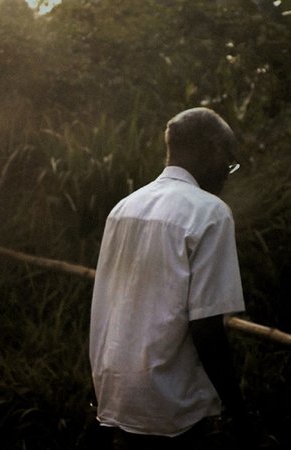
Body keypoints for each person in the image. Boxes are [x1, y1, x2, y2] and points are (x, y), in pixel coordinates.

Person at [88, 107, 255, 449]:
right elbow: (207, 328)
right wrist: (240, 414)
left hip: (116, 394)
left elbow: (112, 309)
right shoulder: (210, 213)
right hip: (171, 405)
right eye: (228, 160)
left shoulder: (124, 208)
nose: (227, 173)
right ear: (209, 148)